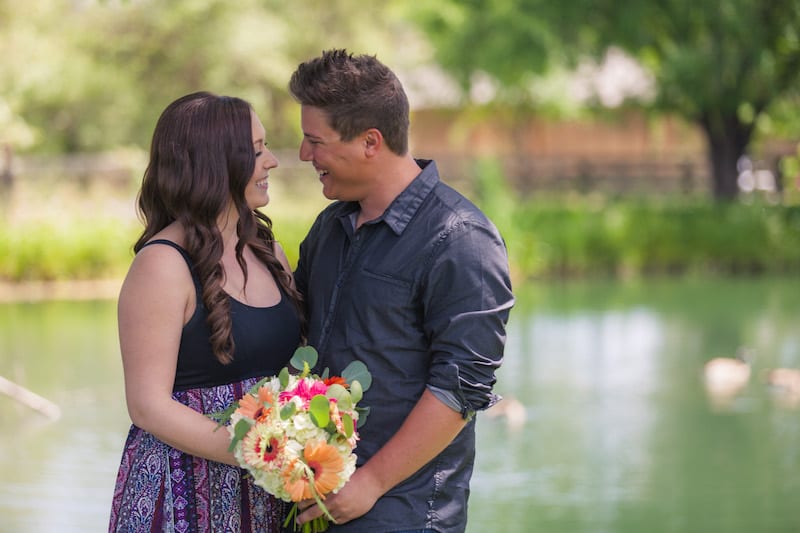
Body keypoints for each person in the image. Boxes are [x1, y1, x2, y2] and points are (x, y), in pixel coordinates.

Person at [288, 50, 514, 533]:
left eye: (315, 141)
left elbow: (462, 387)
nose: (305, 155)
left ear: (371, 141)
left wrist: (369, 483)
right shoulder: (330, 227)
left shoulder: (460, 238)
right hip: (314, 505)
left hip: (404, 514)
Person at [108, 92, 303, 532]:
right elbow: (147, 406)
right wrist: (261, 452)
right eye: (256, 151)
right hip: (185, 491)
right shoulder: (161, 266)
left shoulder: (270, 250)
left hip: (270, 491)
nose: (271, 161)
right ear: (216, 164)